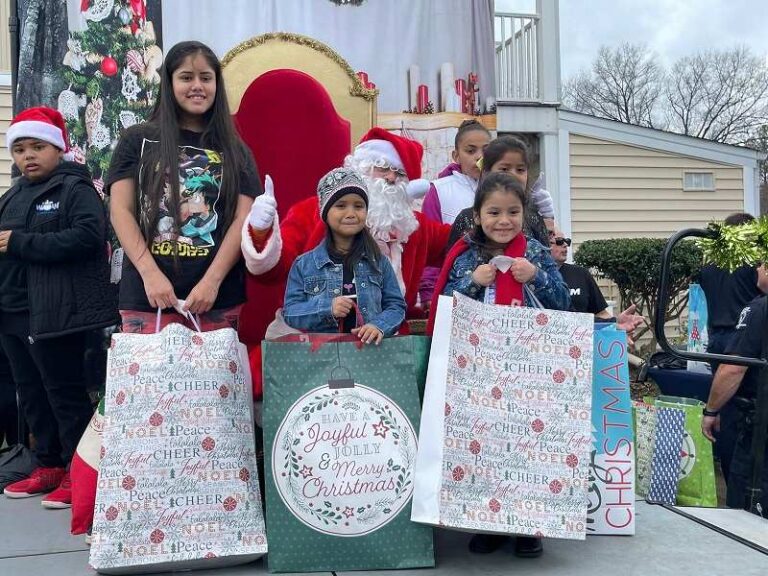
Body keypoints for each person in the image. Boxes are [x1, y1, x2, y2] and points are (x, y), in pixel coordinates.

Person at [431, 173, 569, 558]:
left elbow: (563, 304)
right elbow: (443, 304)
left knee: (527, 449)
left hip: (529, 371)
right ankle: (488, 522)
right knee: (484, 448)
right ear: (477, 215)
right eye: (493, 212)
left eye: (512, 212)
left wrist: (537, 277)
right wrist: (472, 282)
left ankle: (529, 528)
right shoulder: (465, 253)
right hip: (476, 370)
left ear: (524, 215)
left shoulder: (537, 253)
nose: (503, 220)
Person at [0, 106, 116, 507]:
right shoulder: (13, 194)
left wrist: (20, 243)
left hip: (55, 313)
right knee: (29, 392)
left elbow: (88, 237)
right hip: (11, 312)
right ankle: (47, 463)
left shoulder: (75, 189)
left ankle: (76, 471)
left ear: (58, 148)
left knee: (63, 392)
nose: (27, 156)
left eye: (37, 147)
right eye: (19, 149)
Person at [108, 41, 260, 334]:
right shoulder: (136, 140)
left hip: (216, 300)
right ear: (169, 82)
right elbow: (120, 210)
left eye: (206, 77)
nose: (197, 86)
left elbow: (244, 219)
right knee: (146, 382)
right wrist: (150, 274)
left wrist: (212, 282)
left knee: (214, 383)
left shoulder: (236, 151)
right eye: (186, 77)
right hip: (145, 298)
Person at [283, 168, 406, 341]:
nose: (351, 214)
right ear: (325, 213)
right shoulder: (304, 265)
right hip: (323, 359)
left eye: (358, 206)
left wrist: (379, 325)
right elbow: (291, 312)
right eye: (341, 206)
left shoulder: (379, 262)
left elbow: (396, 306)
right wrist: (327, 308)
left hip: (370, 358)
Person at [698, 212, 761, 483]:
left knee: (726, 408)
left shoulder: (710, 266)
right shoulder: (751, 265)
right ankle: (746, 479)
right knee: (748, 410)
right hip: (744, 338)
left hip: (716, 339)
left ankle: (730, 473)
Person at [701, 262, 768, 515]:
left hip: (761, 426)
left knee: (746, 502)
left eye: (762, 265)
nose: (758, 270)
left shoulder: (758, 308)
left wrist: (711, 411)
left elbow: (733, 368)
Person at [419, 120, 491, 305]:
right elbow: (429, 246)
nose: (479, 157)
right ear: (456, 156)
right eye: (470, 150)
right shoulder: (439, 190)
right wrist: (429, 292)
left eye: (486, 150)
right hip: (454, 287)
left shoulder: (505, 189)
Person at [447, 135, 555, 250]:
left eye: (520, 170)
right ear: (486, 172)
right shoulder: (467, 218)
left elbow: (547, 264)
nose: (513, 175)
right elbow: (452, 263)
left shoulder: (534, 218)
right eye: (504, 169)